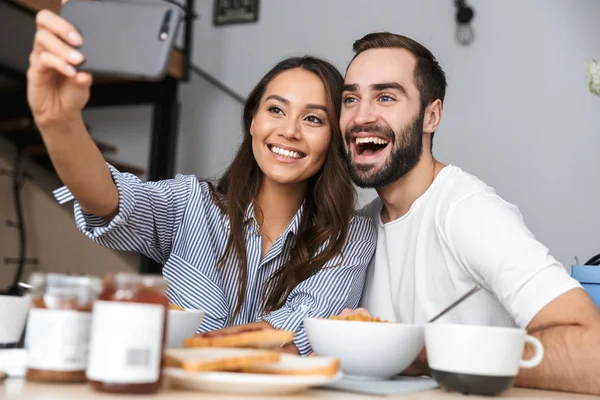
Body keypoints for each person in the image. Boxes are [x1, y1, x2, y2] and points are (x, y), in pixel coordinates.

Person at [26, 8, 377, 356]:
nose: (289, 130)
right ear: (252, 120)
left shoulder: (350, 237)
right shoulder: (191, 203)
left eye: (313, 119)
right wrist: (59, 121)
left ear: (334, 138)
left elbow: (294, 337)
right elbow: (106, 199)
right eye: (275, 109)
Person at [338, 32, 600, 394]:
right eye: (350, 98)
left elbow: (593, 354)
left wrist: (425, 353)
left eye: (385, 97)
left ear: (431, 115)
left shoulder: (468, 212)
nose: (361, 116)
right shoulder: (359, 230)